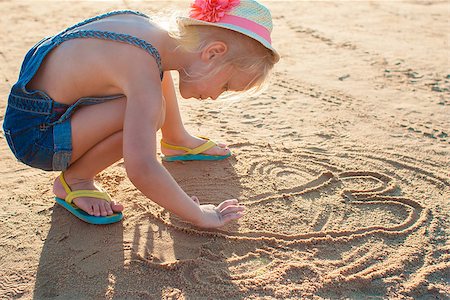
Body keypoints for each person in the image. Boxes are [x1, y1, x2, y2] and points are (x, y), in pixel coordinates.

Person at [2, 0, 280, 227]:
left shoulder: (150, 34)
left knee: (152, 78)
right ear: (213, 53)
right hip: (37, 138)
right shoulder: (140, 66)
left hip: (36, 113)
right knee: (151, 107)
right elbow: (142, 168)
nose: (216, 96)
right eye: (226, 85)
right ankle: (75, 180)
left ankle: (176, 139)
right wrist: (201, 215)